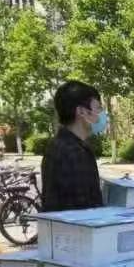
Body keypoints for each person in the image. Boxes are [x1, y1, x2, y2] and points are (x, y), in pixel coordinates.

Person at [41, 80, 107, 212]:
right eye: (98, 108)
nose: (102, 114)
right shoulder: (75, 151)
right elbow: (85, 209)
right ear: (81, 111)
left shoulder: (56, 145)